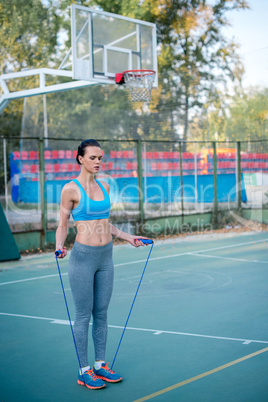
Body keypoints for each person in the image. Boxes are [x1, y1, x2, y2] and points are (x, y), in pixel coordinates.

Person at [55, 139, 148, 390]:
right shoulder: (70, 190)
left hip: (106, 257)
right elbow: (63, 225)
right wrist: (59, 245)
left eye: (100, 158)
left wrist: (129, 237)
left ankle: (100, 365)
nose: (98, 162)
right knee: (83, 315)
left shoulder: (105, 186)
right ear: (80, 159)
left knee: (102, 313)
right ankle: (84, 370)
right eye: (93, 157)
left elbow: (105, 224)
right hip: (83, 258)